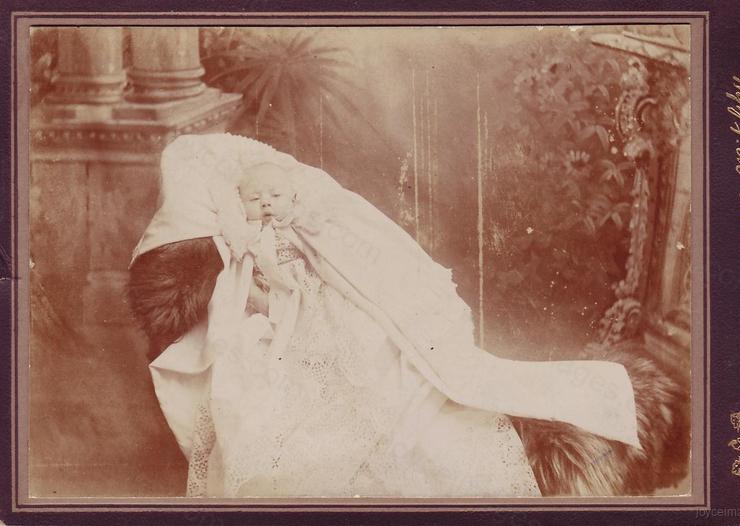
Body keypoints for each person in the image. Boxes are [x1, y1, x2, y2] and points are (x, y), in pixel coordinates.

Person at [130, 133, 641, 498]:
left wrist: (317, 281)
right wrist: (261, 286)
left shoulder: (309, 225)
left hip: (326, 308)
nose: (266, 204)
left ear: (292, 196)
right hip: (281, 317)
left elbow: (359, 262)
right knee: (277, 394)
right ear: (238, 203)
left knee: (382, 360)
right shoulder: (247, 242)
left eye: (275, 196)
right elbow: (248, 285)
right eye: (254, 198)